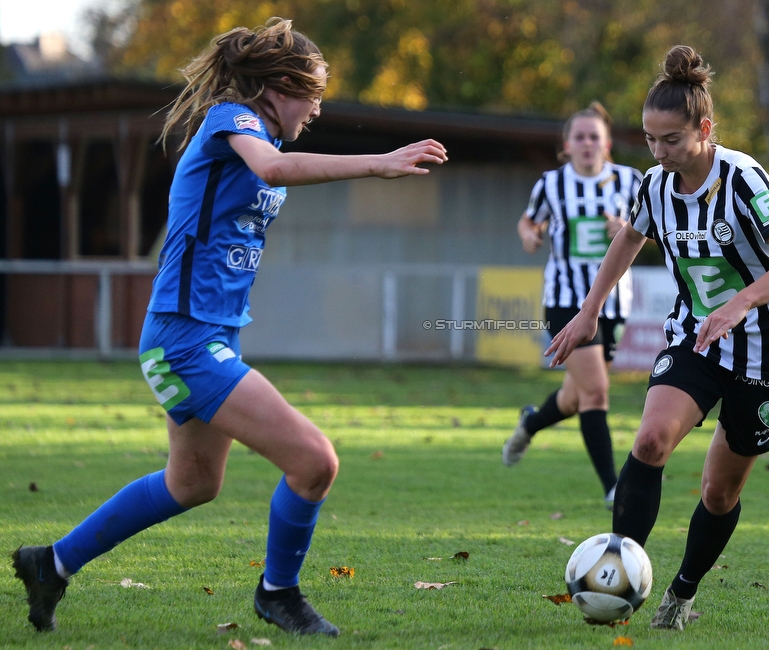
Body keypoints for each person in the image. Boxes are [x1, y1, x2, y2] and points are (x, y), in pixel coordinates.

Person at [11, 18, 447, 636]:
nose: (317, 109)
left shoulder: (254, 130)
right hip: (185, 341)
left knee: (191, 483)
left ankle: (50, 563)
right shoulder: (232, 120)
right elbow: (272, 169)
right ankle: (278, 593)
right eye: (312, 93)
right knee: (315, 462)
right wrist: (377, 163)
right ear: (276, 87)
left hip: (206, 334)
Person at [547, 45, 769, 631]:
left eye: (671, 140)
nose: (658, 152)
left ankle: (680, 596)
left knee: (719, 493)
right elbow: (627, 239)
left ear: (704, 129)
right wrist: (590, 310)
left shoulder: (744, 177)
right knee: (648, 442)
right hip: (696, 339)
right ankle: (615, 578)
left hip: (766, 351)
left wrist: (740, 303)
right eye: (649, 139)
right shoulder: (654, 185)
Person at [501, 102, 644, 509]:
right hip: (565, 301)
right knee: (596, 391)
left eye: (594, 136)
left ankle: (530, 423)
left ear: (607, 143)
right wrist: (528, 235)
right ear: (567, 144)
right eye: (579, 137)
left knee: (576, 397)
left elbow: (654, 231)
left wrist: (628, 231)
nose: (586, 143)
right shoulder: (551, 184)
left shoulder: (630, 181)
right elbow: (529, 221)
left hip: (614, 303)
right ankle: (612, 489)